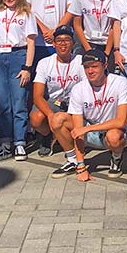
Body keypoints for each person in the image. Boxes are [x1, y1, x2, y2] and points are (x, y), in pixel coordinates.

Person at [0, 0, 37, 161]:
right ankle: (5, 142)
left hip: (18, 56)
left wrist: (27, 67)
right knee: (2, 103)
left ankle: (20, 142)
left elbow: (30, 42)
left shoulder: (26, 12)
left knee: (19, 101)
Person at [66, 49, 127, 181]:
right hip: (92, 135)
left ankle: (116, 159)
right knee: (59, 120)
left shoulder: (120, 82)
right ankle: (73, 160)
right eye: (86, 67)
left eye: (95, 66)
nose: (90, 71)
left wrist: (87, 128)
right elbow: (78, 130)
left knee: (113, 136)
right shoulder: (78, 89)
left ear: (105, 65)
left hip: (115, 132)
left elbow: (120, 121)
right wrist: (81, 167)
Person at [31, 26, 85, 158]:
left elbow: (86, 90)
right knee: (36, 118)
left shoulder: (80, 61)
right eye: (59, 40)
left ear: (73, 43)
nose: (63, 43)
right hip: (53, 102)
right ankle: (48, 136)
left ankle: (69, 144)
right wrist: (50, 116)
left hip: (74, 104)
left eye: (67, 40)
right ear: (54, 44)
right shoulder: (44, 63)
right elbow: (37, 96)